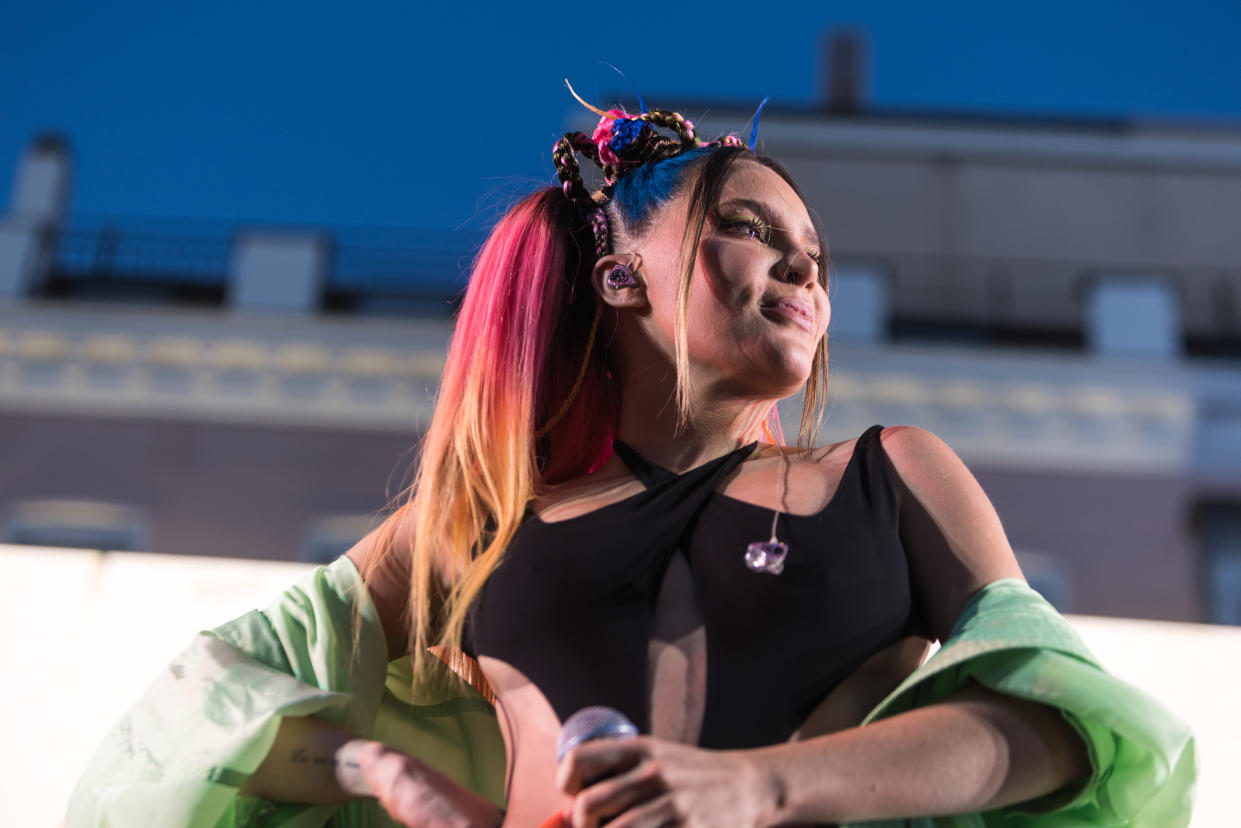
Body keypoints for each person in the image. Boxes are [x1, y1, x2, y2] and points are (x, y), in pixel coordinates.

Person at [68, 94, 1196, 828]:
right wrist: (393, 777)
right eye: (751, 230)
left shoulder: (889, 476)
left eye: (814, 256)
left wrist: (756, 787)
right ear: (620, 279)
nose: (802, 271)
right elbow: (220, 693)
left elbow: (1057, 729)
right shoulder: (491, 512)